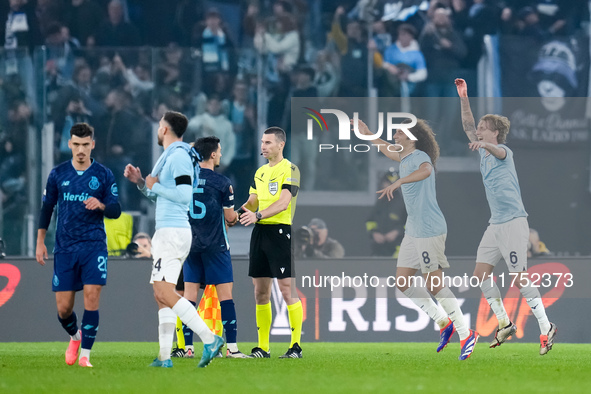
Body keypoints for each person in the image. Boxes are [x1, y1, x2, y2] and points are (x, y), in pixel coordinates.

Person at [352, 117, 478, 361]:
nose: (395, 136)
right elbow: (386, 149)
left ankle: (466, 333)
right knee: (403, 281)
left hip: (430, 228)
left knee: (434, 284)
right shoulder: (405, 156)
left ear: (411, 138)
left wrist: (399, 181)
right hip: (413, 229)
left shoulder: (420, 156)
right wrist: (367, 133)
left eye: (399, 132)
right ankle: (444, 322)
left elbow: (426, 170)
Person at [455, 78, 557, 355]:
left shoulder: (502, 152)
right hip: (496, 224)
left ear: (494, 132)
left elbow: (498, 151)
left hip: (513, 221)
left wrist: (484, 146)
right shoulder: (483, 149)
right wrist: (464, 96)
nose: (476, 132)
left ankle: (546, 327)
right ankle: (504, 323)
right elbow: (466, 125)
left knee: (519, 277)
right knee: (480, 273)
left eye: (482, 128)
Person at [123, 111, 224, 368]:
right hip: (171, 230)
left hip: (172, 232)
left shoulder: (178, 156)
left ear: (166, 130)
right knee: (162, 296)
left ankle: (209, 338)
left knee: (163, 290)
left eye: (159, 126)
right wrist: (141, 184)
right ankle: (165, 357)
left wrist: (153, 185)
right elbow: (162, 195)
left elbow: (183, 195)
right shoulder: (174, 155)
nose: (158, 130)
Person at [35, 122, 122, 368]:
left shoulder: (103, 174)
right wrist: (40, 241)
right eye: (76, 145)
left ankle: (85, 355)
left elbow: (116, 209)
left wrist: (102, 205)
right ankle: (75, 336)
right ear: (69, 144)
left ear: (92, 144)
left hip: (94, 246)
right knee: (64, 310)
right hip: (65, 248)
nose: (81, 149)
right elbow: (47, 208)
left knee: (92, 297)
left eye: (85, 145)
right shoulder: (57, 174)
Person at [172, 136, 249, 359]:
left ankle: (187, 348)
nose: (222, 154)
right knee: (226, 297)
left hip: (191, 245)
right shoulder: (223, 183)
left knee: (189, 297)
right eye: (220, 151)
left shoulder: (185, 180)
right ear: (213, 154)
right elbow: (230, 218)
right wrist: (239, 214)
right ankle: (232, 348)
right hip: (216, 246)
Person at [238, 127, 303, 359]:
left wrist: (257, 215)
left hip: (279, 232)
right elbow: (253, 201)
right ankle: (263, 348)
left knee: (287, 290)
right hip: (260, 233)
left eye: (268, 142)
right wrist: (237, 213)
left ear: (280, 145)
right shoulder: (260, 172)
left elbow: (284, 202)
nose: (263, 146)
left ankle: (295, 346)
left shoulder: (291, 170)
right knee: (260, 292)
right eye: (262, 142)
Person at [366, 169, 406, 257]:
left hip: (398, 249)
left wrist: (397, 232)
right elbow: (370, 221)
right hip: (379, 248)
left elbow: (411, 224)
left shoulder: (403, 203)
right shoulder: (380, 202)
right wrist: (374, 233)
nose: (387, 185)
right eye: (386, 182)